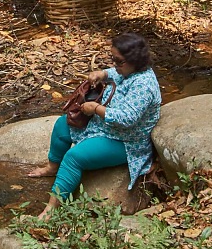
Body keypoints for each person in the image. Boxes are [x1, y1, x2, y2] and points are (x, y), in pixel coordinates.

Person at [29, 33, 162, 220]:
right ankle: (53, 167)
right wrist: (103, 73)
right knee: (62, 124)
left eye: (118, 61)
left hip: (125, 140)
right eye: (112, 59)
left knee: (74, 157)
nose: (115, 64)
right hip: (105, 127)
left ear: (134, 61)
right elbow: (117, 72)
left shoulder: (143, 85)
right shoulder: (128, 70)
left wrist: (96, 108)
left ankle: (52, 207)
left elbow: (127, 118)